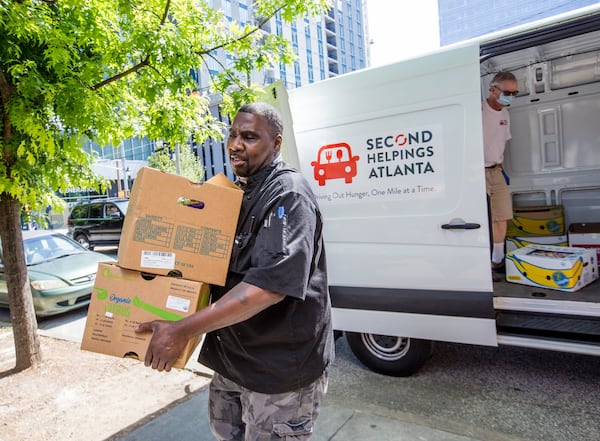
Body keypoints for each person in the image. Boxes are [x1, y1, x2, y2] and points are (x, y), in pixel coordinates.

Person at [136, 102, 334, 441]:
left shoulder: (288, 195)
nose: (235, 144)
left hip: (278, 374)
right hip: (233, 364)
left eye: (249, 136)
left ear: (276, 144)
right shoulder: (236, 194)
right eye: (232, 135)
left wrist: (181, 330)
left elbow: (267, 288)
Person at [482, 71, 518, 281]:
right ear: (493, 89)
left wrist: (502, 170)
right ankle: (483, 263)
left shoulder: (505, 113)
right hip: (476, 171)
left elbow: (501, 143)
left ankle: (497, 260)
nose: (510, 97)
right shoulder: (478, 110)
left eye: (514, 93)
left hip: (496, 169)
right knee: (482, 218)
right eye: (507, 92)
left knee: (502, 216)